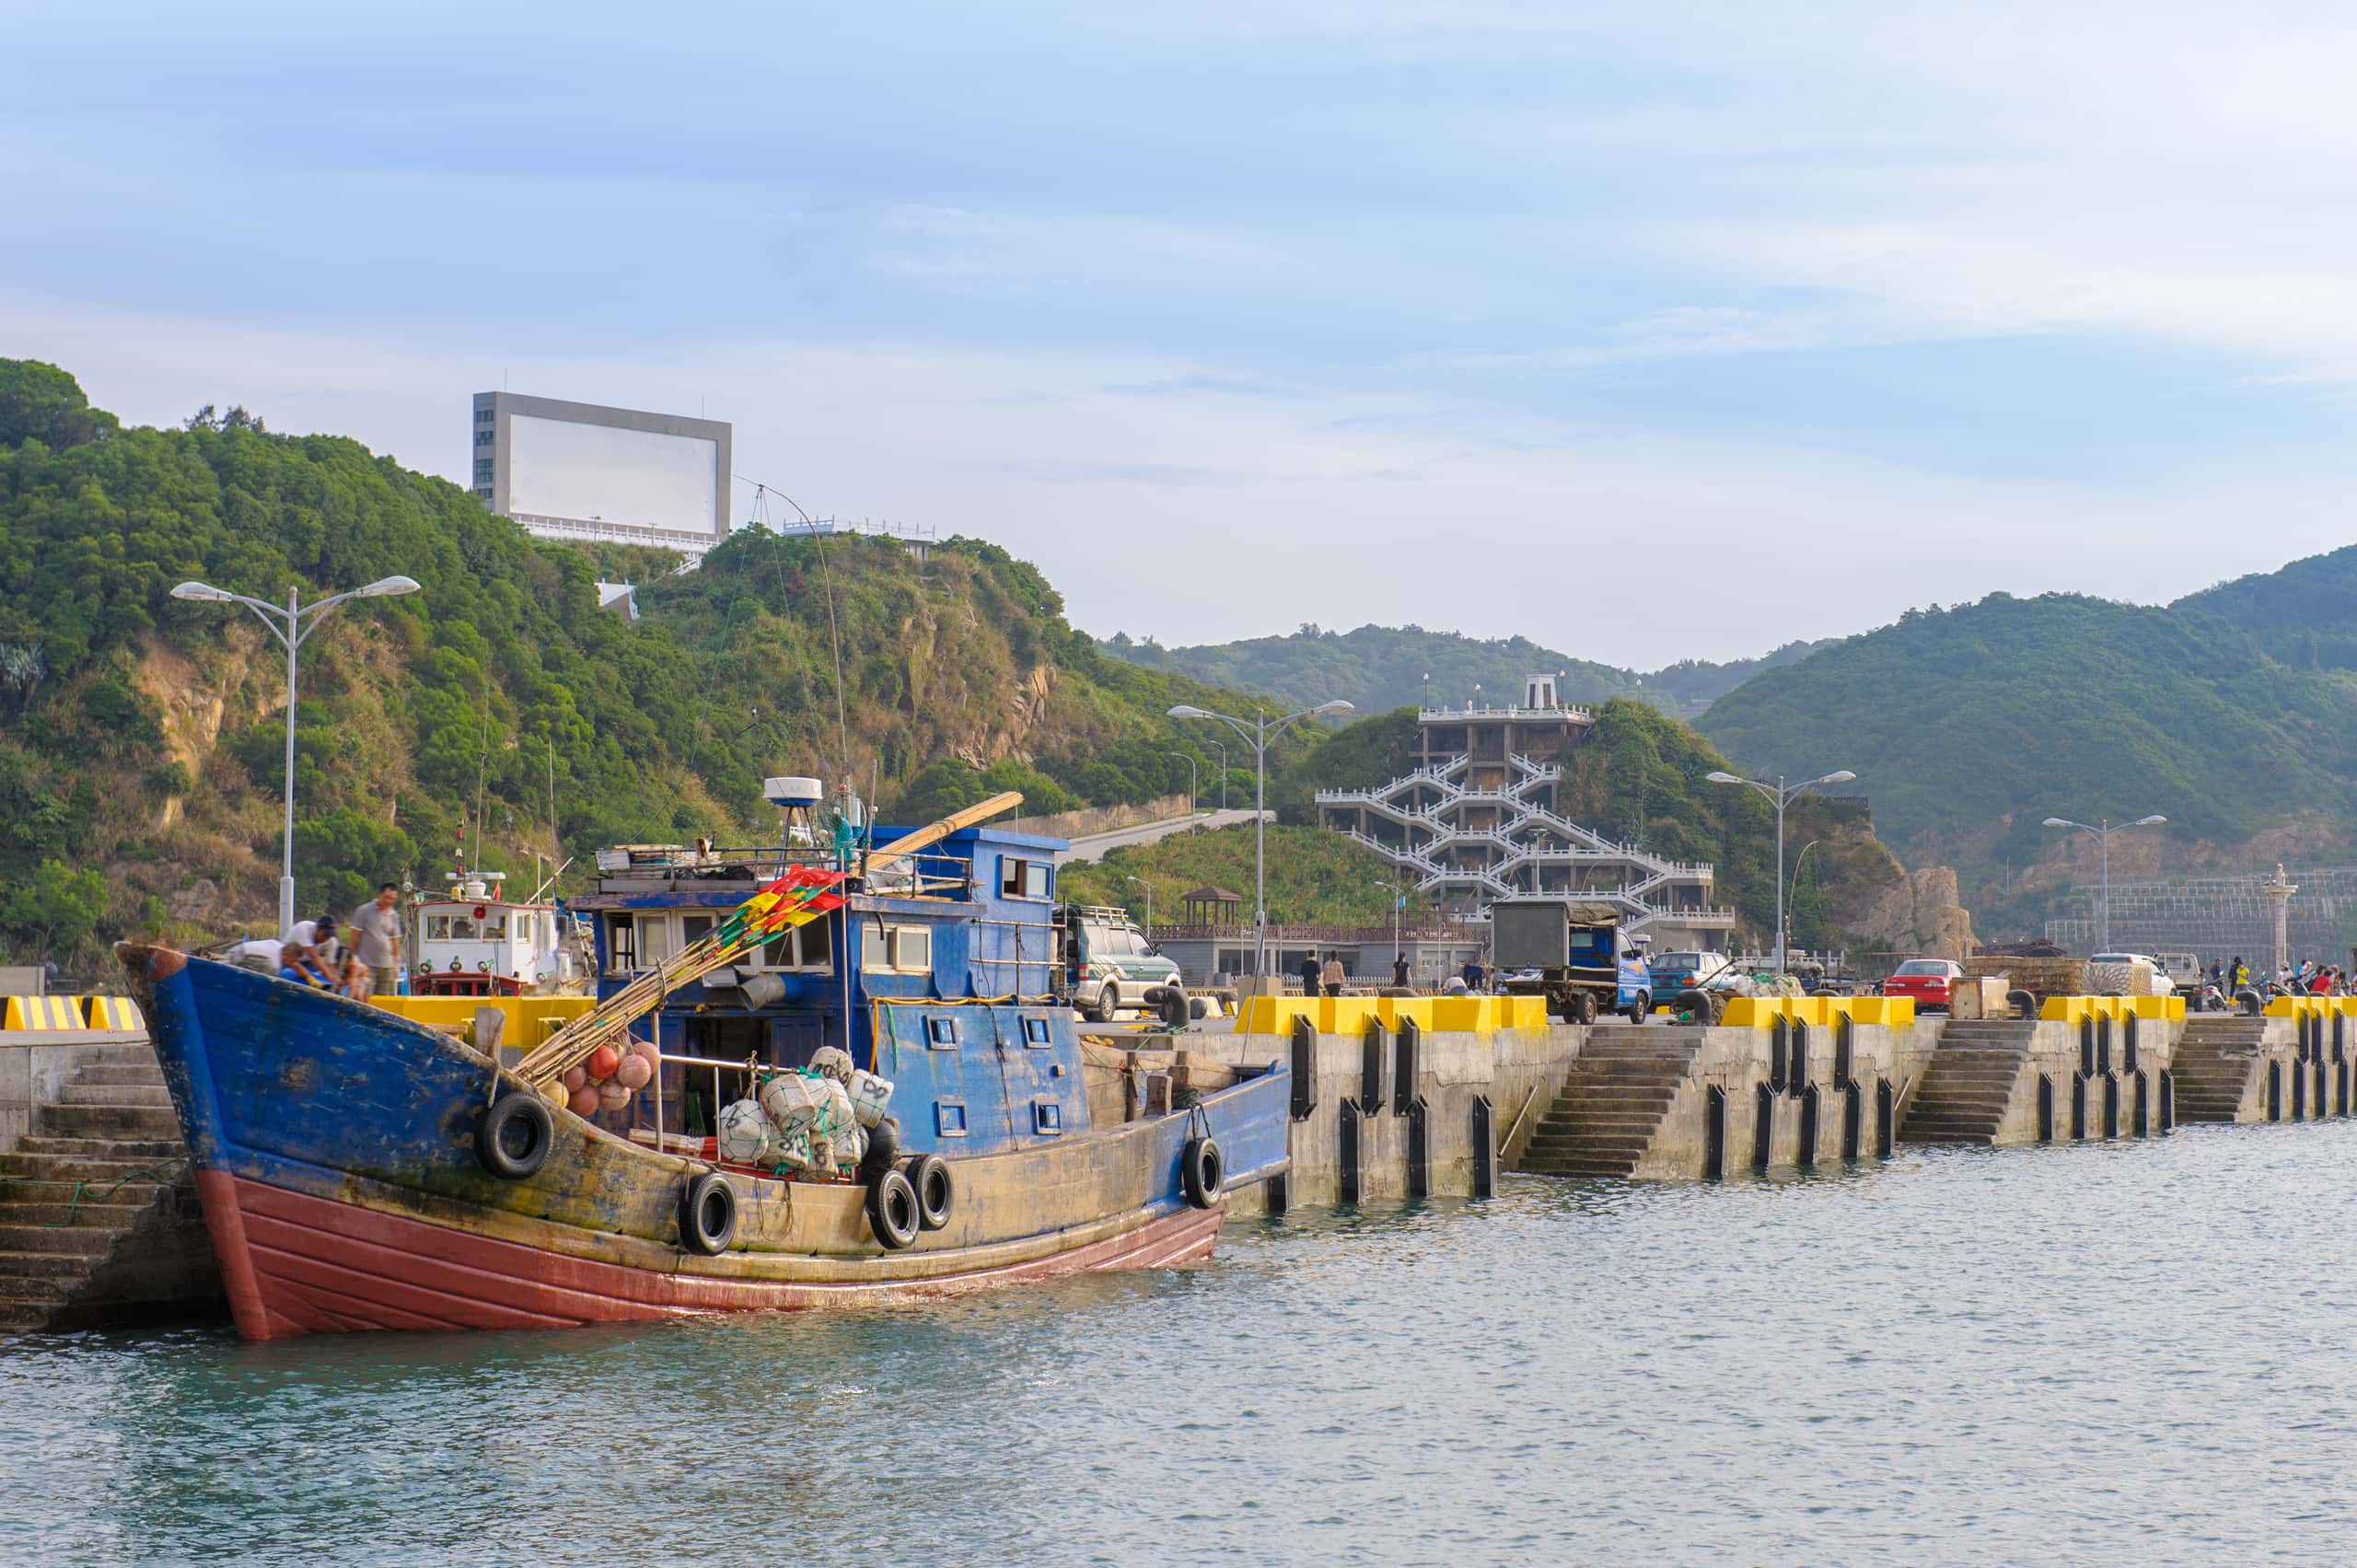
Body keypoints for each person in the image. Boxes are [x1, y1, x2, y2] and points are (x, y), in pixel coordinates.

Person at [351, 882, 404, 997]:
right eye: (386, 897)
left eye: (392, 899)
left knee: (385, 1000)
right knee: (365, 997)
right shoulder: (364, 910)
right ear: (380, 895)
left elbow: (395, 942)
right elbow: (355, 935)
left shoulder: (394, 915)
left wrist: (396, 964)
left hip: (387, 966)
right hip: (367, 964)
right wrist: (355, 957)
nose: (389, 901)